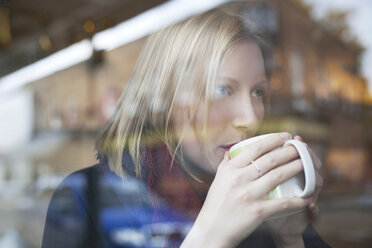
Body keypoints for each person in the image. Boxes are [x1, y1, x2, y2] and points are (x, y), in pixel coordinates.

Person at [42, 3, 330, 248]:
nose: (251, 118)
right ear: (168, 99)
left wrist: (290, 239)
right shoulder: (86, 196)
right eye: (222, 90)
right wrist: (208, 238)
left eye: (258, 92)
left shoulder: (262, 197)